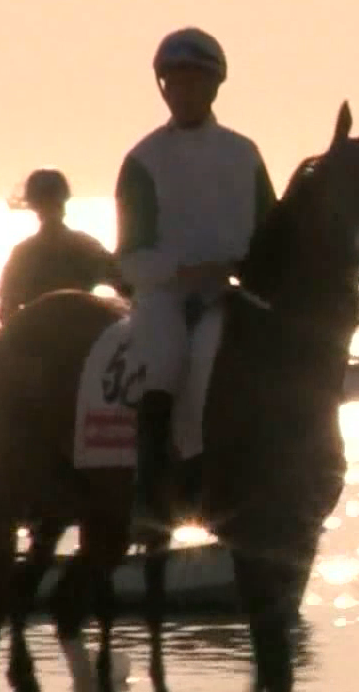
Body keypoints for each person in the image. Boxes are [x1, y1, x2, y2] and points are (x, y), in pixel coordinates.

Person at [115, 26, 278, 529]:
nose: (184, 93)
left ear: (213, 88)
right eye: (175, 83)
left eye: (193, 83)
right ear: (164, 88)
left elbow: (270, 235)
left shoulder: (243, 154)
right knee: (166, 363)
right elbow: (130, 256)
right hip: (165, 297)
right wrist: (183, 273)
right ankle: (151, 493)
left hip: (229, 296)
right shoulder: (143, 160)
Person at [0, 167, 120, 322]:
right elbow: (127, 288)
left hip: (39, 339)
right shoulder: (86, 246)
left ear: (32, 204)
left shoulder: (23, 253)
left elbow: (6, 312)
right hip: (82, 337)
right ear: (65, 198)